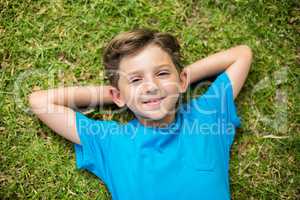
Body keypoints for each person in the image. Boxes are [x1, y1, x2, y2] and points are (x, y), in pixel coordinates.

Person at [28, 28, 252, 200]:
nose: (151, 86)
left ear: (183, 79)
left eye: (162, 73)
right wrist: (118, 95)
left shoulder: (206, 117)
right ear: (118, 95)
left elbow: (241, 55)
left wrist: (176, 81)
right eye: (136, 79)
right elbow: (40, 101)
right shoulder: (110, 141)